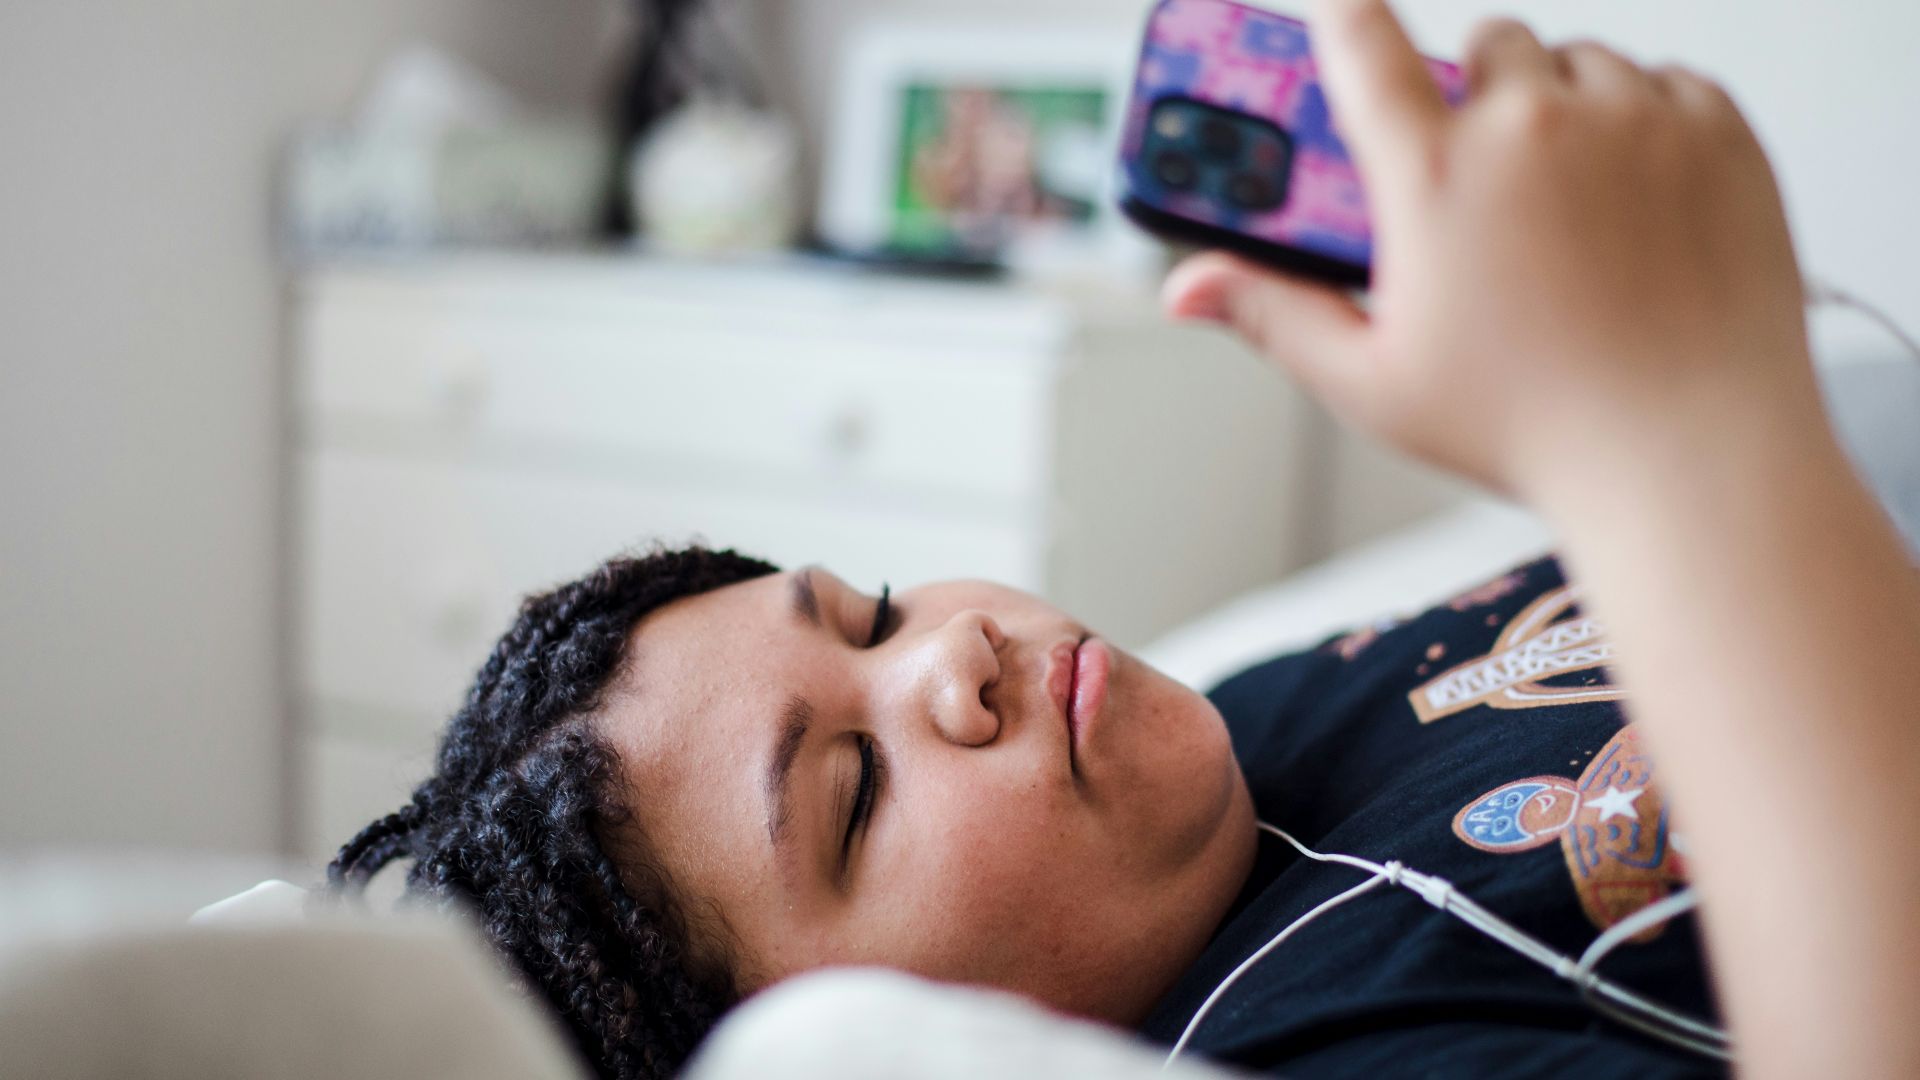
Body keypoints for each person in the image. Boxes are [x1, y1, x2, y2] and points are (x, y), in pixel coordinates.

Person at [326, 2, 1920, 1078]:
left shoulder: (1236, 727)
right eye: (855, 789)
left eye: (872, 616)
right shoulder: (1311, 1041)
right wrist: (1680, 430)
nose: (951, 654)